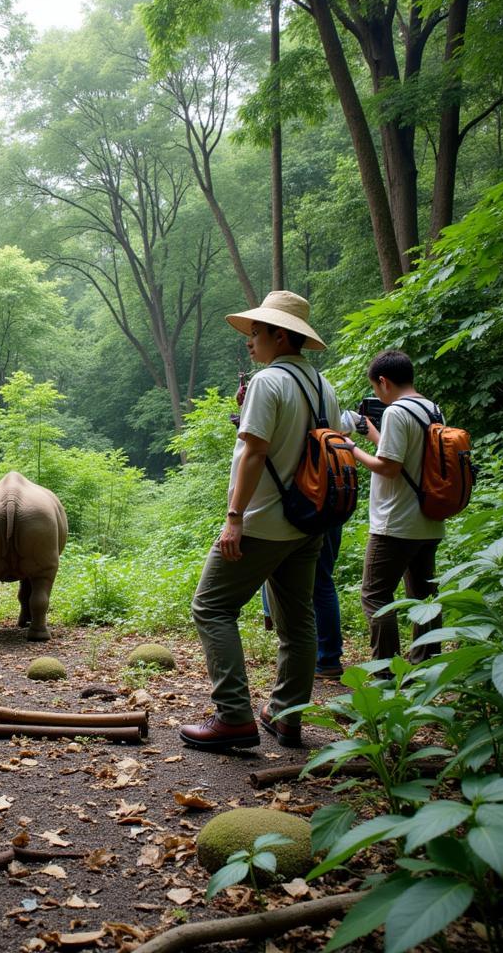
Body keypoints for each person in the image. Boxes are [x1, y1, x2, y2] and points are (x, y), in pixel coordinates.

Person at [180, 291, 343, 753]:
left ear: (279, 333)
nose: (250, 341)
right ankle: (287, 716)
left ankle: (233, 717)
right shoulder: (321, 385)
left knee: (211, 608)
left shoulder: (269, 382)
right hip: (307, 520)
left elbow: (255, 452)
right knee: (298, 621)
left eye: (256, 332)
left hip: (263, 522)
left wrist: (235, 517)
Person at [348, 349, 444, 664]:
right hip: (428, 519)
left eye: (376, 387)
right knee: (424, 597)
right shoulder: (432, 409)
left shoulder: (396, 412)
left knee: (375, 596)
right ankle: (425, 665)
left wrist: (350, 449)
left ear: (384, 382)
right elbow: (405, 456)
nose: (378, 394)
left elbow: (389, 467)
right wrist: (370, 432)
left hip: (395, 523)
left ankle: (385, 673)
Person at [259, 408, 364, 681]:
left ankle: (326, 657)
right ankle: (326, 656)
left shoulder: (292, 414)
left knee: (315, 582)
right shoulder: (327, 406)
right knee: (321, 581)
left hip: (307, 503)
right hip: (330, 500)